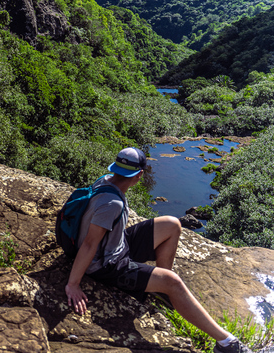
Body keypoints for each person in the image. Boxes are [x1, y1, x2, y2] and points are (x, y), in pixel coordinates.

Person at [65, 147, 260, 353]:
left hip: (116, 245)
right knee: (173, 281)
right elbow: (89, 244)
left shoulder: (106, 180)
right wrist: (73, 283)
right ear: (140, 175)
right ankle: (227, 344)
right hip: (106, 264)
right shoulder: (111, 203)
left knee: (172, 224)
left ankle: (159, 287)